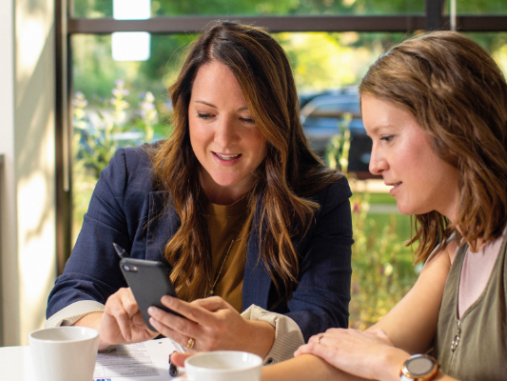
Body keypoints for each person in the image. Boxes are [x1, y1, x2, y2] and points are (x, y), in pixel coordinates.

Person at [173, 31, 507, 379]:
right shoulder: (459, 251)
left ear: (453, 127)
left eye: (387, 138)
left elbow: (382, 361)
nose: (376, 163)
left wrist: (398, 369)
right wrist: (222, 377)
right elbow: (354, 360)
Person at [46, 21, 353, 364]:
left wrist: (249, 337)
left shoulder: (323, 196)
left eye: (248, 118)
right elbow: (70, 295)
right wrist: (104, 326)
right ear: (185, 110)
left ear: (276, 120)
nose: (223, 139)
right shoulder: (130, 175)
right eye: (206, 114)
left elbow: (326, 322)